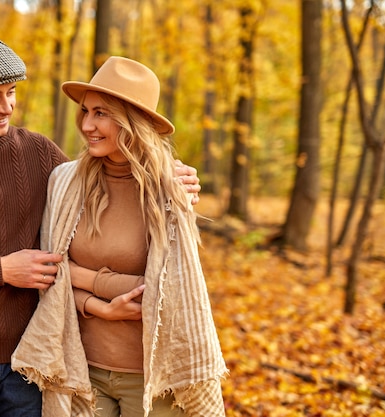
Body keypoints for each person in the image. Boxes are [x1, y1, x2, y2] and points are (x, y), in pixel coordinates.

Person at [0, 29, 201, 417]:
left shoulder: (40, 154)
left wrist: (172, 173)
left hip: (31, 358)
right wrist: (1, 269)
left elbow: (107, 174)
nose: (6, 107)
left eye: (11, 92)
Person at [12, 56, 227, 417]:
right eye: (86, 111)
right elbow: (53, 273)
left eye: (102, 114)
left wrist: (85, 278)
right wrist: (104, 307)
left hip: (152, 377)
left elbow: (165, 291)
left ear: (133, 121)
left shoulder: (168, 192)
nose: (88, 125)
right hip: (82, 371)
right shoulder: (66, 183)